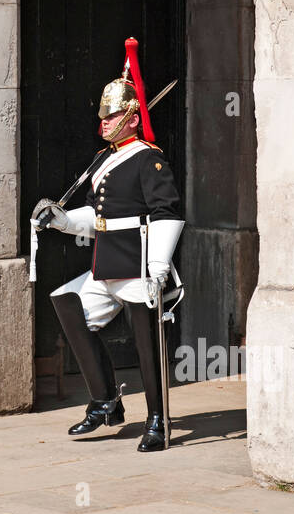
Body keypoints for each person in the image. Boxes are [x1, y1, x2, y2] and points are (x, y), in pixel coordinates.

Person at [32, 38, 185, 452]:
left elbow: (167, 212)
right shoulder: (103, 159)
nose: (104, 120)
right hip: (106, 259)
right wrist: (62, 222)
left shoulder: (148, 159)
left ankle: (157, 420)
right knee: (68, 302)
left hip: (137, 262)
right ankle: (104, 401)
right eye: (104, 114)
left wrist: (157, 266)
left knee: (146, 342)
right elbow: (96, 217)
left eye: (113, 113)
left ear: (133, 118)